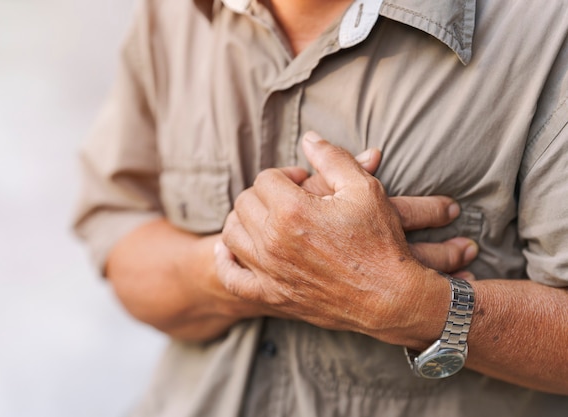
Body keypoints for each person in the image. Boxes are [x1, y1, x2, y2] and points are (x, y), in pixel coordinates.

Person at [73, 0, 568, 415]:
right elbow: (120, 236)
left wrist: (418, 307)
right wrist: (252, 265)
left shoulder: (545, 30)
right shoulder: (173, 13)